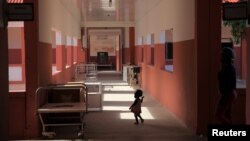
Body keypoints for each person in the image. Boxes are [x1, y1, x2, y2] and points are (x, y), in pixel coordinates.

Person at [216, 47, 237, 125]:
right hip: (230, 94)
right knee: (227, 115)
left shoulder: (228, 68)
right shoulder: (228, 67)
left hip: (227, 94)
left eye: (222, 55)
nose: (220, 57)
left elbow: (228, 84)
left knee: (219, 114)